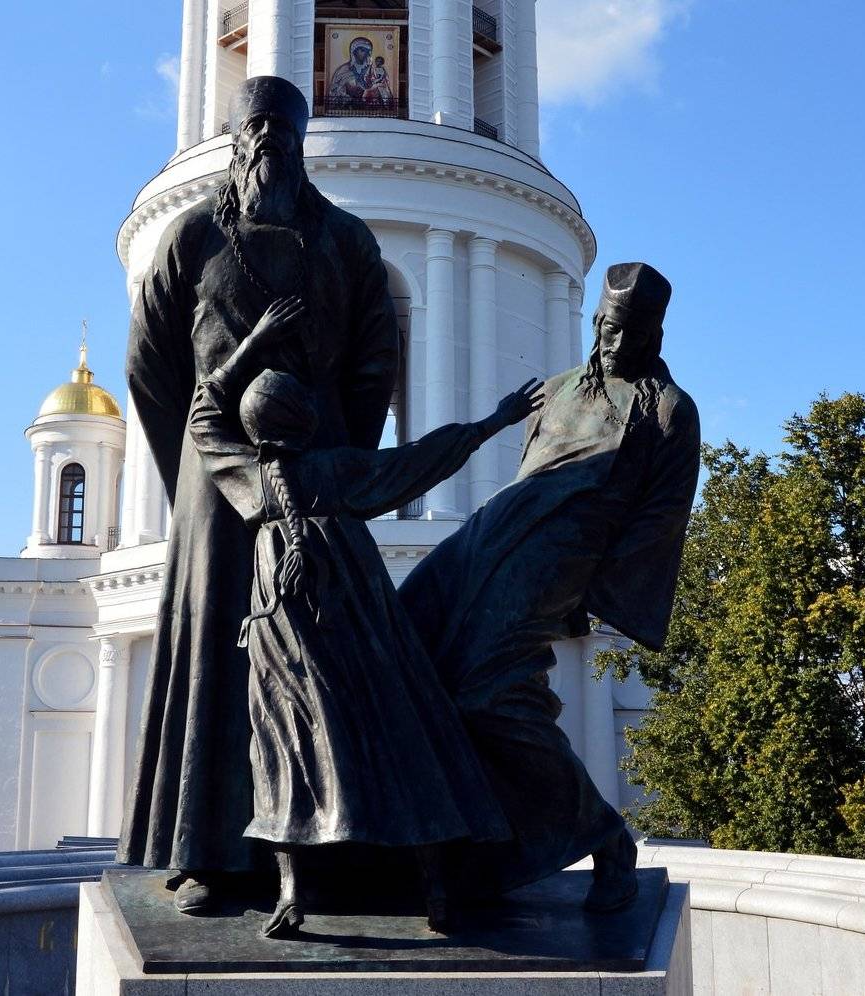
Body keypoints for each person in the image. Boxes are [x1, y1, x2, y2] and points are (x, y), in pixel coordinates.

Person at [119, 76, 401, 914]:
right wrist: (193, 463)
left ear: (301, 147)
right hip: (216, 473)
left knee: (327, 645)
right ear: (236, 144)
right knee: (216, 646)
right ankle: (206, 852)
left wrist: (343, 456)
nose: (268, 146)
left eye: (283, 133)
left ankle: (338, 848)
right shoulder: (194, 235)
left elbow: (375, 361)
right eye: (256, 133)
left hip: (314, 467)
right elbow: (149, 363)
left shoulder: (344, 240)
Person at [188, 296, 541, 937]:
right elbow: (424, 458)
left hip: (282, 625)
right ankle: (436, 890)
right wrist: (497, 420)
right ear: (307, 418)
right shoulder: (341, 470)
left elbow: (203, 413)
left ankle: (291, 896)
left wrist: (252, 343)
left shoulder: (249, 479)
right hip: (359, 616)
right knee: (402, 734)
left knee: (284, 747)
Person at [399, 262, 701, 913]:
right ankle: (452, 849)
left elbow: (661, 516)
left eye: (631, 333)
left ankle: (604, 837)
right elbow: (529, 470)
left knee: (485, 696)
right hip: (490, 535)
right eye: (608, 328)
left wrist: (595, 589)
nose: (615, 343)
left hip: (562, 558)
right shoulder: (560, 388)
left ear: (654, 334)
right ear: (596, 321)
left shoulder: (668, 409)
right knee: (402, 646)